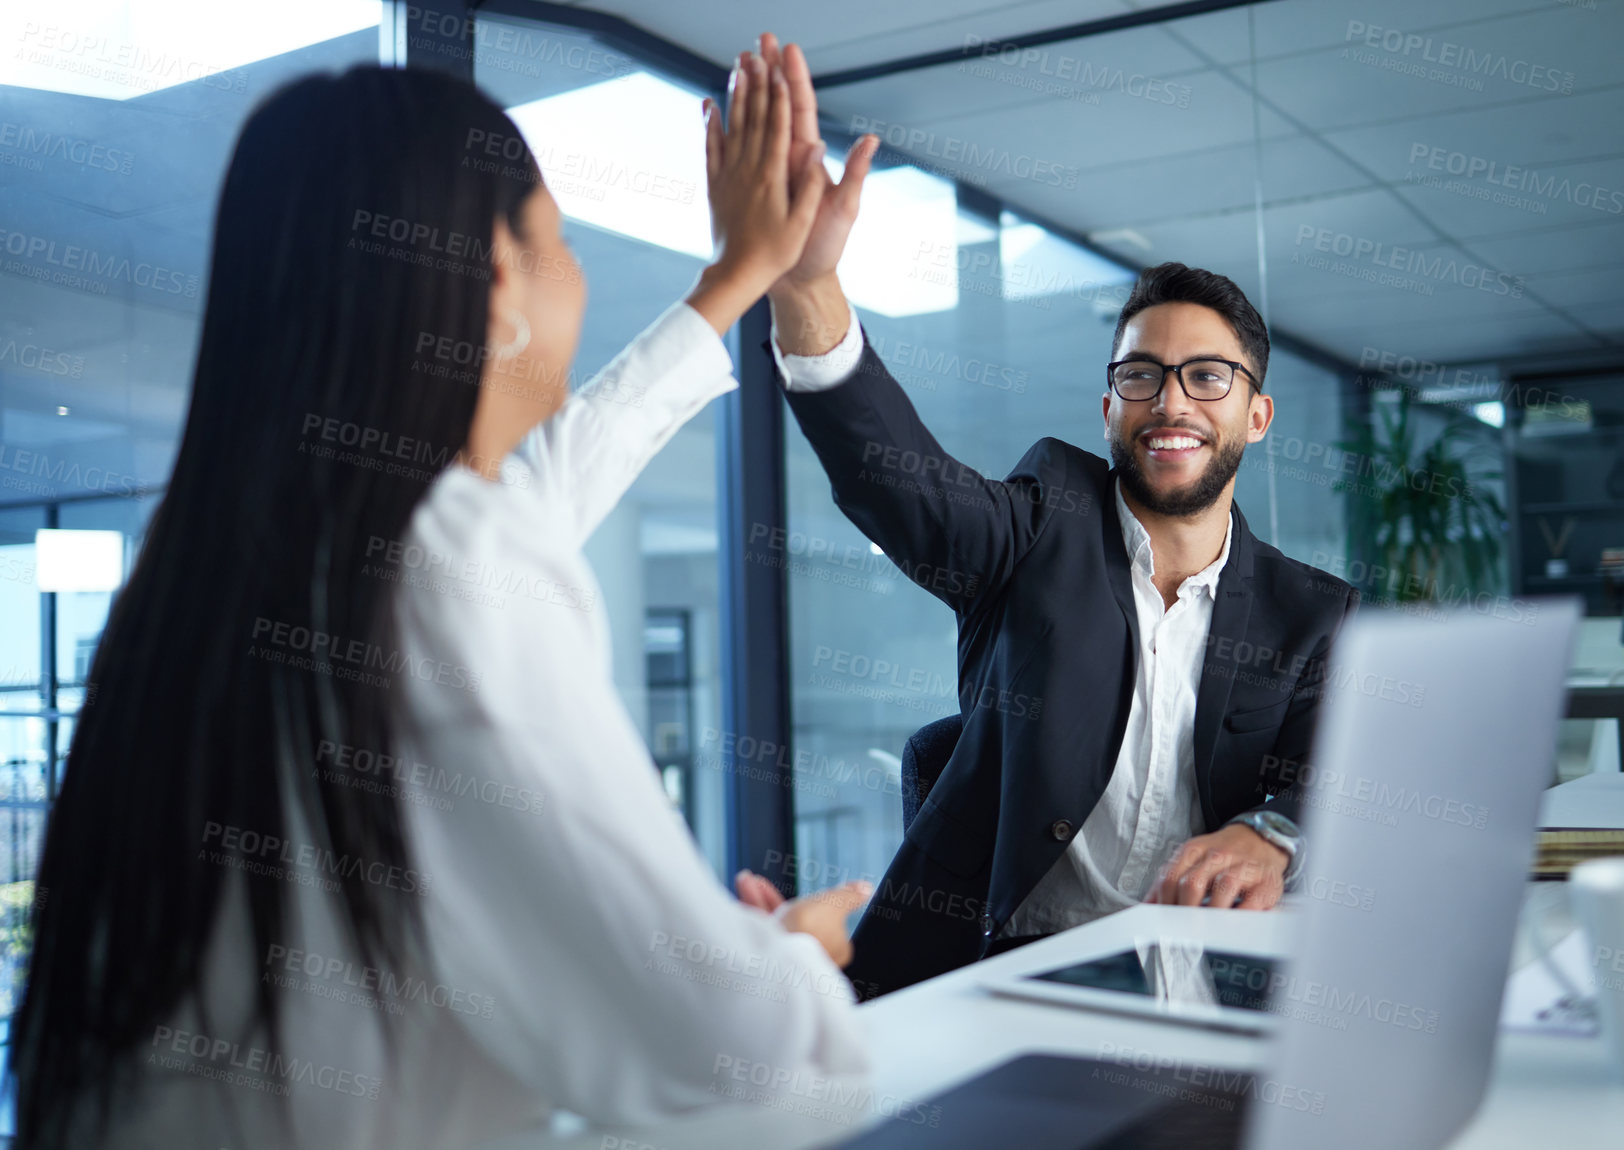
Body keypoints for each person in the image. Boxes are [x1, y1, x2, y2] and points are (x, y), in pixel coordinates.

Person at [11, 58, 871, 1150]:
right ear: (498, 279)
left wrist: (742, 272)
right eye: (557, 242)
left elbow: (545, 485)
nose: (578, 280)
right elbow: (729, 1048)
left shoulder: (214, 565)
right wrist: (793, 953)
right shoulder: (449, 560)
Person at [746, 35, 1358, 999]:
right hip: (1015, 978)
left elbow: (1345, 773)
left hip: (1210, 984)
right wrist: (805, 284)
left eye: (1207, 377)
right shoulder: (1039, 529)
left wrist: (1269, 832)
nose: (1172, 403)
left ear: (1256, 414)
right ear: (1108, 406)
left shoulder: (1309, 612)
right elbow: (896, 483)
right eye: (1140, 376)